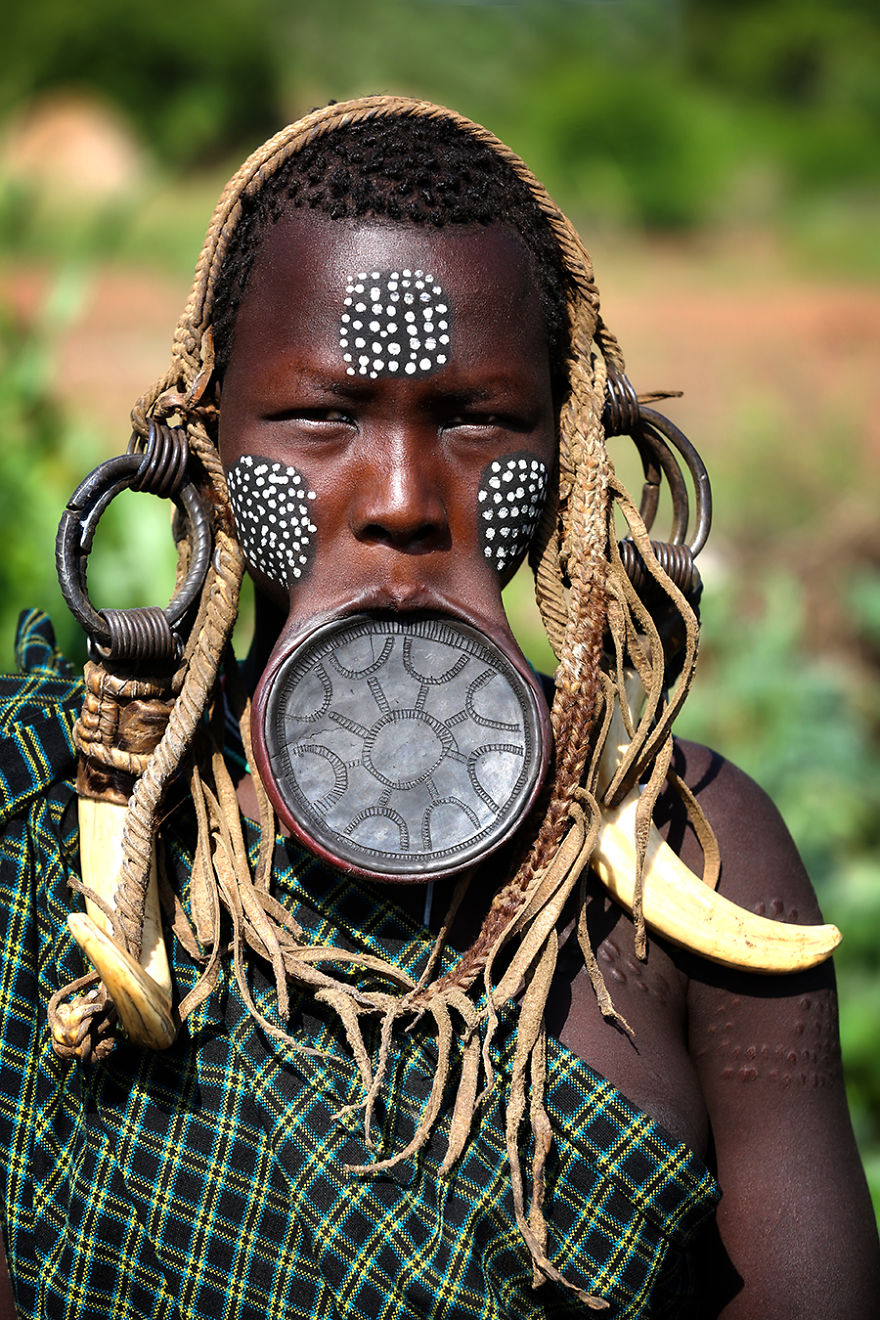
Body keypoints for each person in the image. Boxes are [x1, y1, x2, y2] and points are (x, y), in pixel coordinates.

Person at [1, 95, 878, 1319]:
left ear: (576, 448)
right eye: (322, 417)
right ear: (197, 443)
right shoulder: (58, 819)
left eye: (479, 419)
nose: (407, 498)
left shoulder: (697, 856)